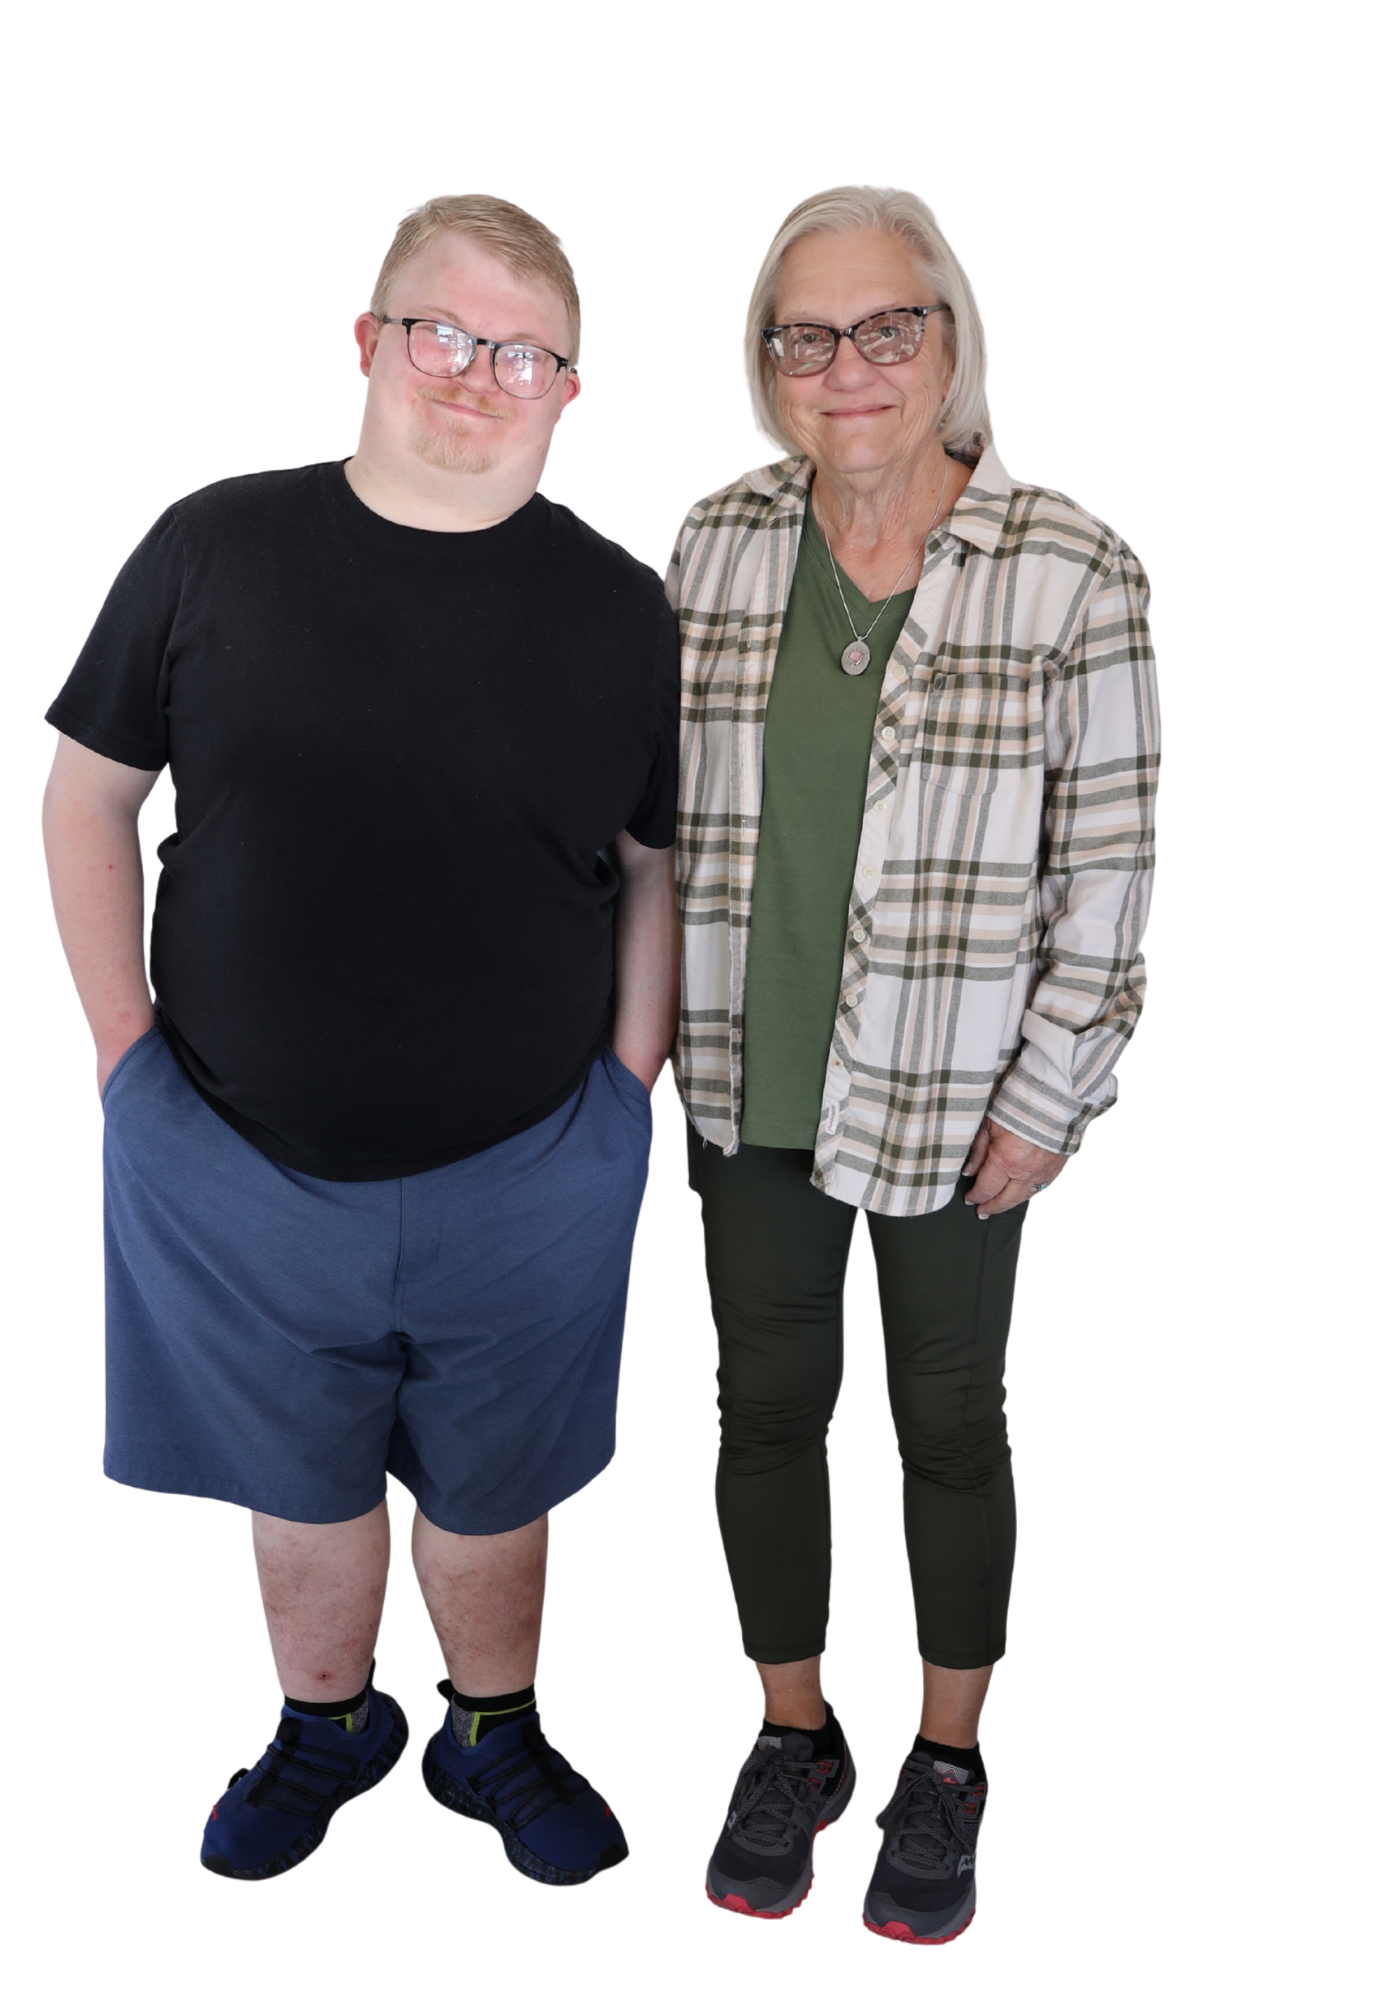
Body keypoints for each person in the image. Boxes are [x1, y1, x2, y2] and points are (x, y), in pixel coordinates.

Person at [42, 194, 679, 1885]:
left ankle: (493, 1734)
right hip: (234, 1157)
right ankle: (326, 1724)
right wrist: (126, 1064)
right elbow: (88, 798)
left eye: (524, 352)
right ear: (369, 340)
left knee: (493, 1489)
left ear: (567, 391)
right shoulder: (213, 546)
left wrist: (623, 1099)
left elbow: (653, 870)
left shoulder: (624, 612)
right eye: (443, 332)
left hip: (533, 1164)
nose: (478, 375)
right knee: (300, 1479)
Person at [668, 186, 1158, 1940]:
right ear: (768, 364)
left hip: (956, 1107)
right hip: (743, 1085)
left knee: (947, 1422)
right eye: (807, 335)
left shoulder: (1068, 567)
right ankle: (794, 1733)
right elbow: (658, 824)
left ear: (949, 341)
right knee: (761, 1416)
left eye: (888, 327)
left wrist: (1051, 1097)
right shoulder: (717, 547)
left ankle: (944, 1764)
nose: (848, 367)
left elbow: (1105, 865)